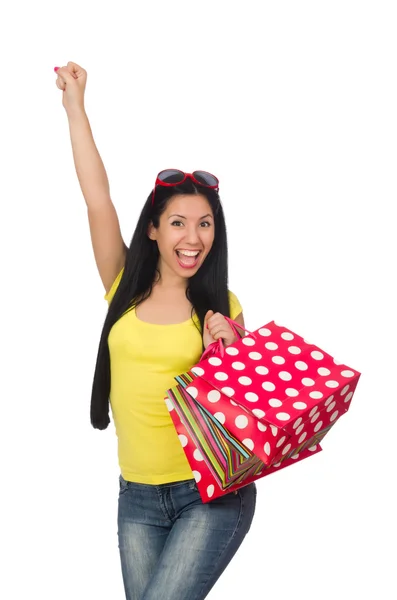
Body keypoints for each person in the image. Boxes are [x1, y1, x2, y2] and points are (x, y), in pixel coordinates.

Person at [54, 61, 256, 600]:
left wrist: (229, 355)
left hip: (210, 494)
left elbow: (245, 420)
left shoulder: (221, 306)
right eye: (179, 222)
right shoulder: (122, 286)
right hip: (136, 499)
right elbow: (98, 198)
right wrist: (76, 108)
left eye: (205, 223)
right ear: (153, 229)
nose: (194, 237)